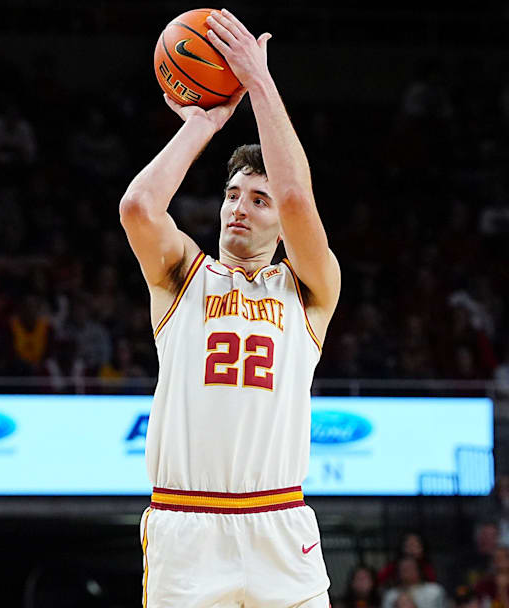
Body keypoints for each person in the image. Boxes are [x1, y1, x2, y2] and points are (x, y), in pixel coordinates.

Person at [120, 9, 341, 607]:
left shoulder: (310, 289)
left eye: (258, 199)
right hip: (187, 526)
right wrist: (204, 122)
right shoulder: (182, 277)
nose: (240, 207)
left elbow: (298, 195)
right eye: (232, 194)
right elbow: (139, 207)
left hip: (279, 521)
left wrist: (259, 82)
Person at [380, 557, 448, 608]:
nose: (406, 571)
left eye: (409, 567)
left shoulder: (435, 590)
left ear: (418, 570)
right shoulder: (391, 594)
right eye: (403, 569)